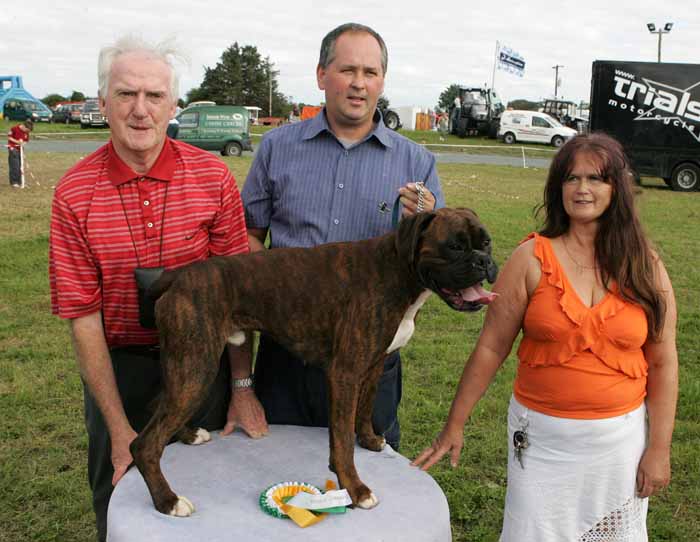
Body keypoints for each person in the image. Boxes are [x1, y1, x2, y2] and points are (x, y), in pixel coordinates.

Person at [48, 36, 267, 542]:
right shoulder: (73, 194)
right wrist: (119, 427)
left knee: (209, 499)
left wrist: (240, 387)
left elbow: (240, 300)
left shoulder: (212, 177)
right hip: (119, 369)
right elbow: (83, 318)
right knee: (122, 496)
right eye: (125, 95)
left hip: (201, 365)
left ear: (174, 106)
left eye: (154, 96)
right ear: (102, 103)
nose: (140, 110)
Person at [413, 133, 678, 541]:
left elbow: (663, 361)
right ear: (558, 187)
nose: (582, 189)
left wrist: (658, 449)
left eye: (596, 178)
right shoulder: (530, 258)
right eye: (571, 178)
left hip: (618, 447)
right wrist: (455, 424)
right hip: (541, 446)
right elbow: (491, 347)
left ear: (616, 188)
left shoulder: (645, 265)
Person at [240, 22, 445, 451]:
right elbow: (248, 238)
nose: (358, 83)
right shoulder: (277, 148)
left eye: (370, 72)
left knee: (365, 482)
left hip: (373, 358)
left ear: (382, 82)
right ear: (321, 76)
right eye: (346, 70)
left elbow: (432, 264)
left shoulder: (417, 163)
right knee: (278, 479)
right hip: (287, 355)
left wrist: (425, 222)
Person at [7, 118, 33, 187]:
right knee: (15, 165)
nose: (27, 132)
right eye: (26, 130)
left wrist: (23, 144)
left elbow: (26, 141)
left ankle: (20, 181)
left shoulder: (26, 132)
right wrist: (17, 142)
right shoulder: (14, 128)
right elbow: (9, 138)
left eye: (28, 131)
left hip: (20, 150)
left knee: (21, 165)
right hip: (13, 148)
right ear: (23, 126)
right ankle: (14, 182)